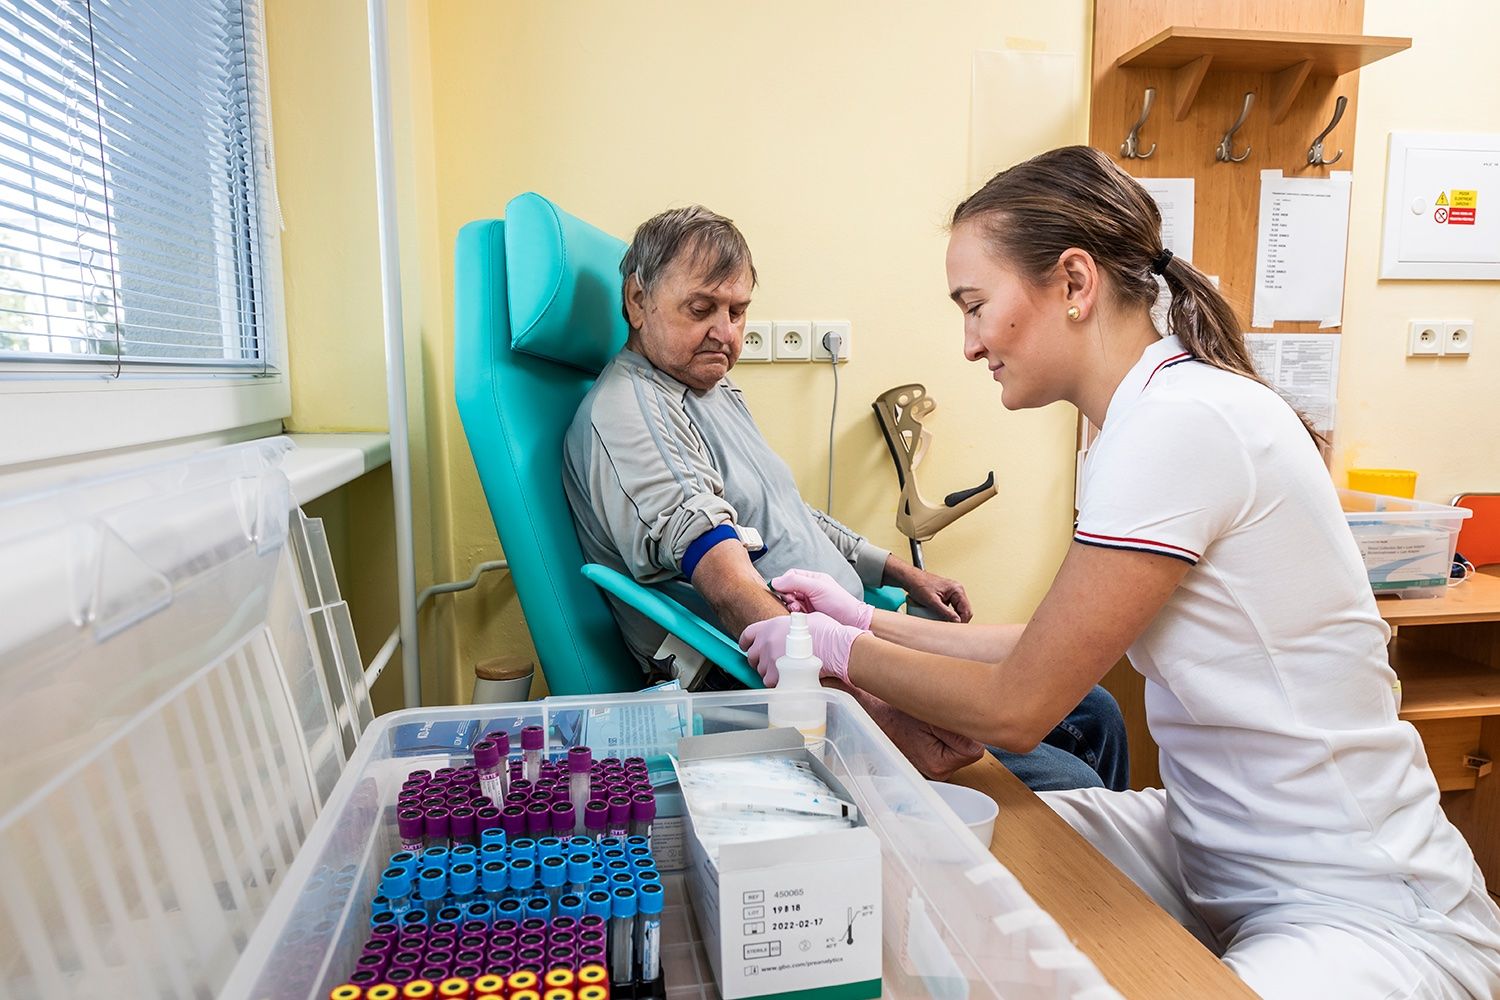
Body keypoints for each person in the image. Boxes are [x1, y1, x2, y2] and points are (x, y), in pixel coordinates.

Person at [741, 146, 1500, 998]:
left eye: (976, 306)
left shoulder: (1181, 425)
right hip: (1218, 849)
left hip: (1357, 901)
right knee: (945, 850)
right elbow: (1053, 644)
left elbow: (1021, 707)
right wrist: (866, 618)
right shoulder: (1142, 422)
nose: (968, 343)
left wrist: (832, 652)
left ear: (1073, 283)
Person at [563, 204, 1128, 790]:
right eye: (701, 309)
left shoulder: (711, 390)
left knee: (1093, 710)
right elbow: (727, 584)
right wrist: (867, 717)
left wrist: (899, 572)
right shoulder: (633, 414)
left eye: (738, 311)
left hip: (845, 640)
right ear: (636, 301)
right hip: (772, 685)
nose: (726, 333)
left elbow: (783, 509)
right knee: (1065, 775)